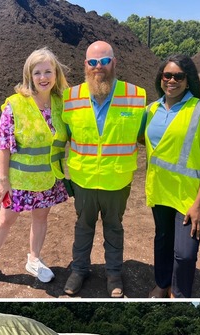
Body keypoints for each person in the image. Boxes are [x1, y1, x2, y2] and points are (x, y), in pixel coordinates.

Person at [0, 47, 69, 292]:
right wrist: (3, 180)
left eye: (48, 72)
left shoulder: (61, 103)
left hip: (48, 177)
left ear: (56, 74)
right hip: (19, 179)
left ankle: (34, 259)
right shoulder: (15, 105)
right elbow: (4, 145)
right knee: (5, 221)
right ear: (29, 75)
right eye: (37, 72)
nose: (43, 77)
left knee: (41, 218)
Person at [61, 41, 146, 298]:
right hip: (83, 179)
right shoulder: (70, 98)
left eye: (105, 61)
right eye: (93, 62)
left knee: (114, 228)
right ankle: (79, 271)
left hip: (116, 180)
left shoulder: (136, 96)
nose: (99, 67)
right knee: (83, 227)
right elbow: (61, 138)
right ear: (85, 65)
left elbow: (146, 136)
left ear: (114, 62)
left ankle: (113, 274)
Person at [143, 54, 200, 299]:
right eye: (167, 75)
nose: (172, 80)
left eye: (179, 76)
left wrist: (199, 204)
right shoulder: (151, 110)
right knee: (163, 241)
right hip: (160, 189)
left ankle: (179, 293)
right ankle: (162, 282)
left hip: (189, 196)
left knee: (185, 253)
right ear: (160, 78)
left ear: (188, 81)